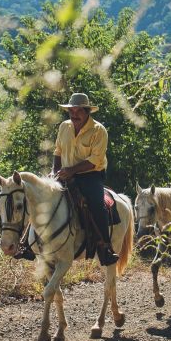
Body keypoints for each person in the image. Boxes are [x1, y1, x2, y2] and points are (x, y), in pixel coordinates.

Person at [53, 92, 118, 266]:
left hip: (90, 175)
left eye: (78, 111)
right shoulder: (64, 127)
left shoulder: (98, 130)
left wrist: (71, 170)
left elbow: (94, 161)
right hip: (66, 172)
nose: (74, 115)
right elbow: (58, 152)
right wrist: (55, 172)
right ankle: (30, 243)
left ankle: (105, 247)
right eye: (71, 111)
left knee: (97, 204)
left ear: (87, 111)